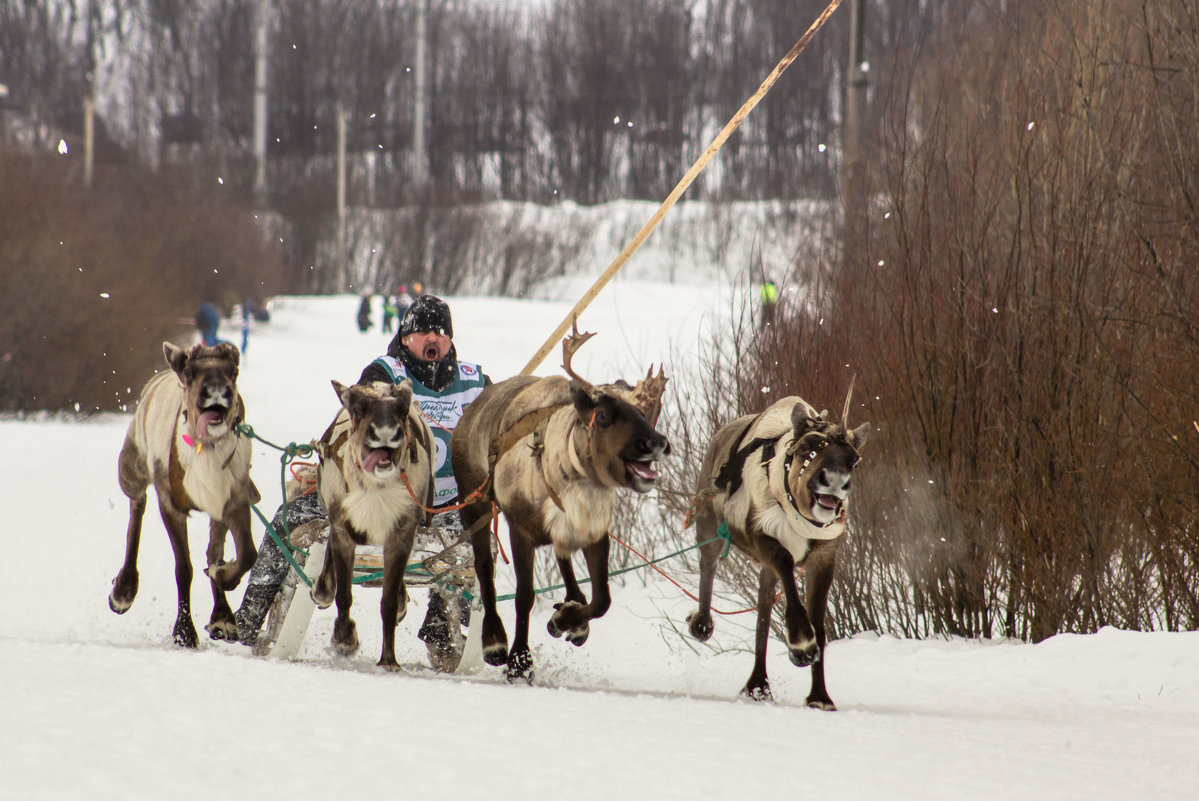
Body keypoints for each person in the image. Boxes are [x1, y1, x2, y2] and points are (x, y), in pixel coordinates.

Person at [234, 295, 490, 670]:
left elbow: (499, 420)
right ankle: (250, 613)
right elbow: (361, 409)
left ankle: (440, 628)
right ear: (405, 338)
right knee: (289, 516)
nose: (432, 338)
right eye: (422, 332)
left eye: (440, 332)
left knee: (475, 536)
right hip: (371, 490)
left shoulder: (473, 381)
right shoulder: (386, 372)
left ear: (451, 340)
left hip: (448, 502)